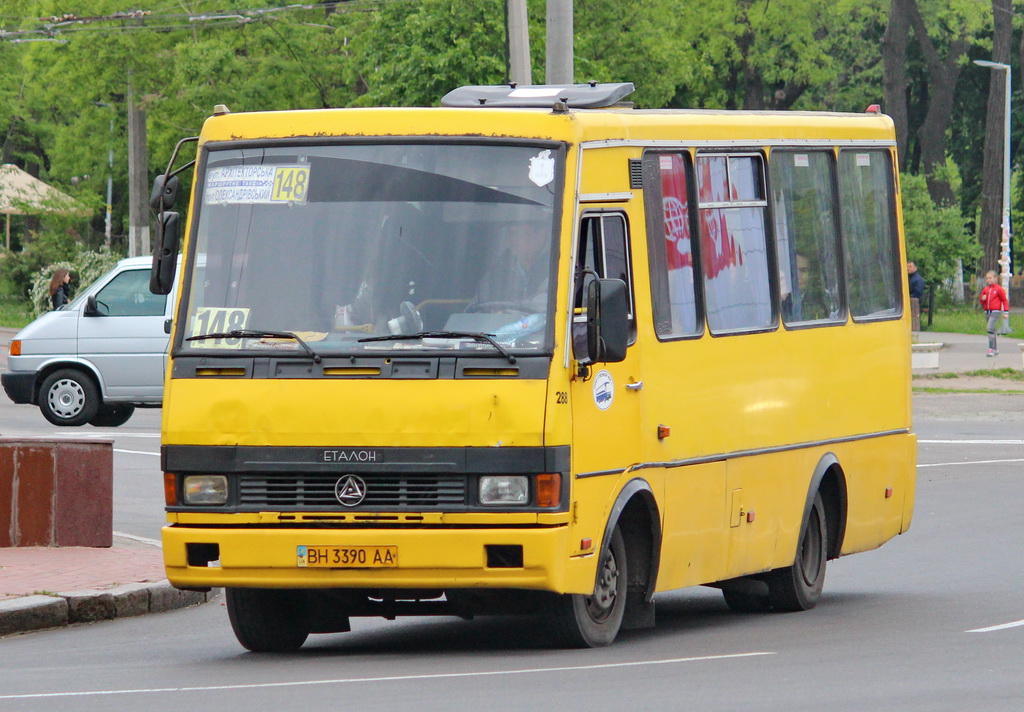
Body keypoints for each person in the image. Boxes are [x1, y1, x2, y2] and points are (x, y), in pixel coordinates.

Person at [979, 270, 1009, 357]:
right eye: (987, 278)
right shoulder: (986, 289)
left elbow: (1004, 300)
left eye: (990, 278)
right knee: (992, 330)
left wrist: (1005, 312)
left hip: (995, 311)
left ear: (995, 278)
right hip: (987, 311)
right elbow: (981, 300)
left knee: (989, 328)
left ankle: (991, 348)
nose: (988, 280)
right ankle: (995, 349)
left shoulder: (999, 289)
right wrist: (982, 299)